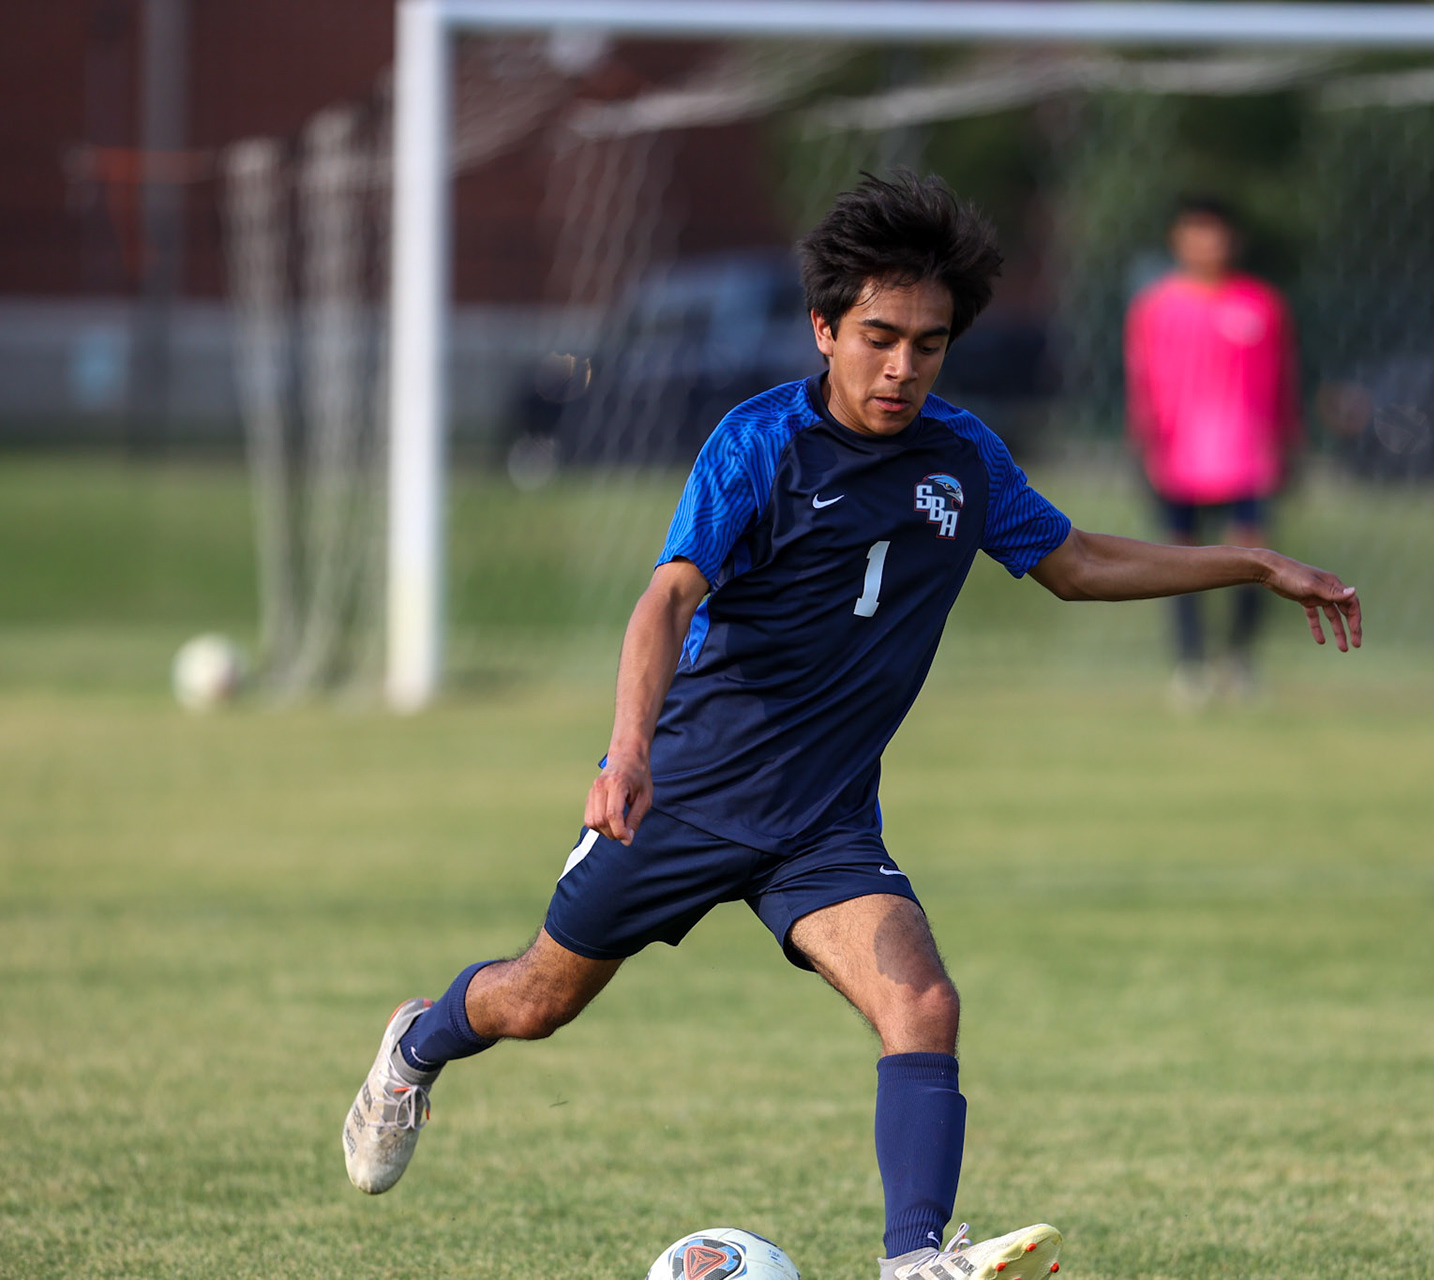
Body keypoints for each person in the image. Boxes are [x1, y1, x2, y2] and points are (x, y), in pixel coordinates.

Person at [341, 173, 1359, 1280]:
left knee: (922, 999)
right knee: (536, 1000)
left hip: (823, 817)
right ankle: (417, 1042)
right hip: (682, 791)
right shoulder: (762, 444)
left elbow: (1073, 562)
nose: (902, 367)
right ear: (825, 328)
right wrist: (628, 748)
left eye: (929, 344)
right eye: (878, 337)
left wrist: (1252, 560)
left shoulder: (963, 457)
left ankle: (913, 1259)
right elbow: (668, 597)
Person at [1125, 196, 1303, 704]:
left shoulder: (1261, 304)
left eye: (1216, 232)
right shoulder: (1156, 307)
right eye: (1195, 232)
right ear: (1177, 240)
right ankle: (1190, 666)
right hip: (1177, 457)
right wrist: (1145, 445)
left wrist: (1290, 442)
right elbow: (1142, 383)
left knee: (1255, 559)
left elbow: (1283, 382)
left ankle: (1239, 659)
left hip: (1246, 456)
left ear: (1233, 239)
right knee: (1179, 564)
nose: (1207, 243)